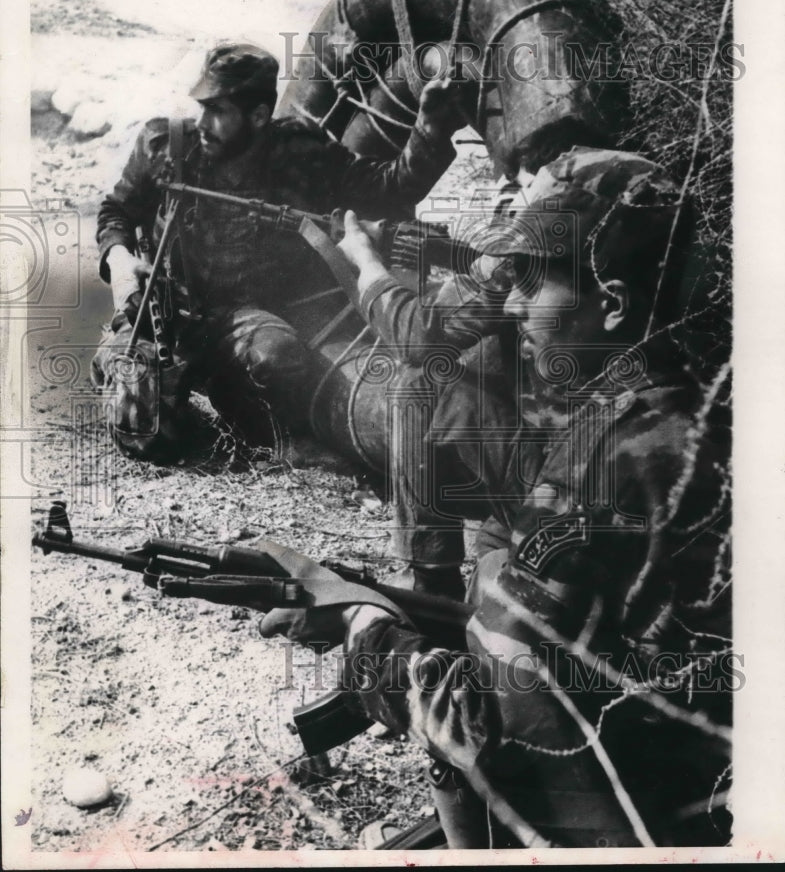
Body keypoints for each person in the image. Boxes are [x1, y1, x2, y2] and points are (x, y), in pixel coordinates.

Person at [261, 147, 732, 847]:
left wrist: (362, 630)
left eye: (534, 284)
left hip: (642, 813)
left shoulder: (602, 464)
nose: (512, 304)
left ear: (611, 305)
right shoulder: (698, 413)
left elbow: (482, 716)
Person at [91, 41, 463, 461]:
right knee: (143, 428)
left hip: (241, 319)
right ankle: (151, 387)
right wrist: (119, 260)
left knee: (281, 358)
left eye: (219, 111)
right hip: (164, 310)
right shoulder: (165, 145)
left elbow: (385, 190)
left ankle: (243, 412)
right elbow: (116, 211)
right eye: (203, 108)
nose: (204, 122)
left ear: (259, 116)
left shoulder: (300, 151)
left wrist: (430, 130)